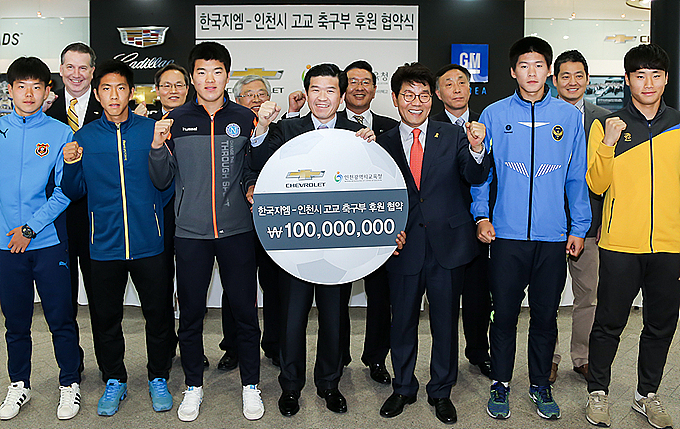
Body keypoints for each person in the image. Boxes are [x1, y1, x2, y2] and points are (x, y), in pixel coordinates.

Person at [255, 63, 391, 417]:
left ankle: (330, 384)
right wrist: (263, 127)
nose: (322, 97)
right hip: (294, 246)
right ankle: (290, 387)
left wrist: (372, 150)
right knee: (292, 319)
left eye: (331, 90)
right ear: (307, 91)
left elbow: (373, 184)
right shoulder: (286, 129)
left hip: (338, 247)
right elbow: (256, 163)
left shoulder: (357, 131)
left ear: (341, 94)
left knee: (334, 318)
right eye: (316, 89)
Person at [472, 36, 590, 421]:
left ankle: (540, 384)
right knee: (503, 314)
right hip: (506, 237)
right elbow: (482, 176)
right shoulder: (493, 114)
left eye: (539, 65)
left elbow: (576, 177)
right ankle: (501, 384)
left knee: (545, 316)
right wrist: (482, 215)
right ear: (513, 71)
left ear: (549, 72)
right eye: (524, 66)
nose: (532, 73)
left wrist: (579, 226)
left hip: (552, 237)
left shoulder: (570, 118)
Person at [149, 41, 265, 422]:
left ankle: (251, 385)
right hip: (191, 233)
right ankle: (193, 386)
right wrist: (156, 147)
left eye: (217, 71)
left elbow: (255, 168)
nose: (209, 79)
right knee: (192, 314)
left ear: (227, 75)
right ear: (191, 78)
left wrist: (250, 179)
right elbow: (162, 179)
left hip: (237, 231)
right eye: (201, 72)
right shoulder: (176, 120)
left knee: (245, 313)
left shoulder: (245, 118)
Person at [61, 60, 175, 417]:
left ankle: (158, 376)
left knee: (158, 315)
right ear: (97, 93)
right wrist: (70, 164)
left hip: (149, 241)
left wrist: (158, 148)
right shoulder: (84, 136)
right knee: (105, 317)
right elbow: (74, 191)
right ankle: (115, 379)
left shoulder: (150, 131)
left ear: (130, 92)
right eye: (107, 89)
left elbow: (166, 184)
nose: (114, 95)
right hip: (104, 245)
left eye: (121, 88)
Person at [377, 62, 488, 425]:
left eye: (423, 95)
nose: (416, 102)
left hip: (448, 246)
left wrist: (476, 149)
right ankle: (403, 387)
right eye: (408, 95)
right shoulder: (381, 141)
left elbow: (474, 176)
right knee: (402, 322)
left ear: (432, 99)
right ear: (395, 99)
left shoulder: (452, 134)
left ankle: (441, 391)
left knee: (444, 323)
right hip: (403, 245)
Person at [584, 43, 680, 429]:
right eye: (640, 75)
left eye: (655, 74)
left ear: (666, 79)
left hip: (670, 245)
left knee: (661, 323)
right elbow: (596, 182)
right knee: (609, 322)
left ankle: (647, 395)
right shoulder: (606, 125)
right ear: (627, 80)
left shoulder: (677, 124)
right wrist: (608, 142)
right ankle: (598, 392)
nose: (648, 82)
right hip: (620, 244)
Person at [0, 56, 81, 421]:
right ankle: (19, 384)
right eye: (22, 87)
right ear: (10, 90)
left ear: (48, 91)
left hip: (46, 243)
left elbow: (65, 191)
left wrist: (29, 229)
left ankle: (69, 383)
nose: (29, 94)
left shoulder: (61, 132)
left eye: (37, 87)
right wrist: (11, 234)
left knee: (60, 318)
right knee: (15, 322)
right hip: (5, 246)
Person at [549, 50, 610, 384]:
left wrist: (602, 220)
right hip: (551, 222)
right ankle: (550, 357)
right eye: (565, 76)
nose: (572, 82)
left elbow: (609, 178)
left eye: (578, 75)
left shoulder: (606, 119)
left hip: (590, 226)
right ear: (555, 80)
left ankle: (582, 357)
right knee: (549, 294)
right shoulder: (542, 115)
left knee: (589, 294)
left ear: (587, 79)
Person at [337, 59, 398, 384]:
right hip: (339, 226)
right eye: (353, 81)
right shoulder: (331, 126)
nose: (359, 87)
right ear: (344, 88)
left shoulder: (391, 126)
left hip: (378, 225)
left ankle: (376, 358)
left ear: (375, 88)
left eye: (366, 82)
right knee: (337, 296)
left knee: (381, 297)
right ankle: (339, 355)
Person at [218, 74, 283, 372]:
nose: (257, 100)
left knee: (275, 289)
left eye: (261, 94)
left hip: (273, 226)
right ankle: (231, 347)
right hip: (237, 223)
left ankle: (273, 344)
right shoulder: (226, 131)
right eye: (249, 95)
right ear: (237, 100)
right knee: (235, 289)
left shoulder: (281, 132)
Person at [45, 42, 102, 374]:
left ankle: (109, 366)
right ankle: (71, 366)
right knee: (62, 302)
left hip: (99, 220)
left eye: (84, 67)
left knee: (101, 302)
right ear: (61, 69)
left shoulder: (109, 109)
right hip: (58, 221)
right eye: (70, 67)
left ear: (92, 71)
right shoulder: (47, 113)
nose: (76, 74)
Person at [433, 63, 492, 379]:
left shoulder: (486, 123)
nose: (456, 88)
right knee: (442, 301)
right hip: (440, 226)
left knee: (478, 294)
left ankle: (478, 352)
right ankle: (444, 363)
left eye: (461, 82)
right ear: (438, 92)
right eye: (448, 83)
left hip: (478, 224)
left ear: (471, 88)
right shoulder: (428, 126)